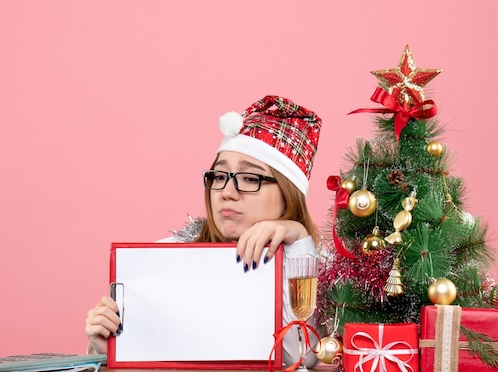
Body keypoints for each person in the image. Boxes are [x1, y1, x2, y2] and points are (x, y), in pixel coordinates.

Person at [85, 95, 323, 368]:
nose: (227, 193)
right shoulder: (163, 259)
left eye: (250, 178)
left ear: (288, 194)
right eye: (219, 177)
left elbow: (306, 356)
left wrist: (298, 242)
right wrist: (108, 347)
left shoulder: (323, 267)